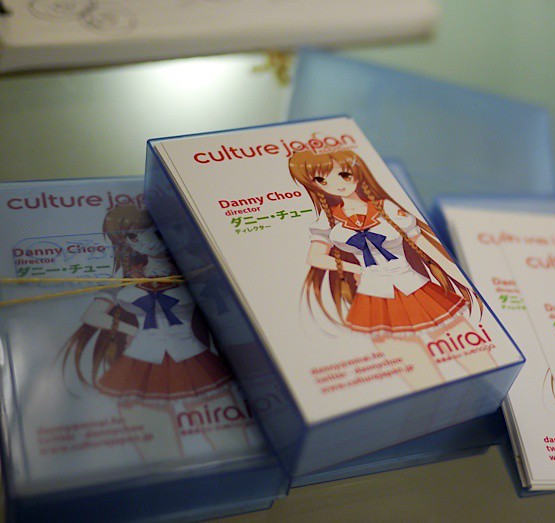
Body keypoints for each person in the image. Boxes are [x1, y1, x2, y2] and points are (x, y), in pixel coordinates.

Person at [289, 148, 497, 389]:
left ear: (357, 173)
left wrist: (462, 278)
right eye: (322, 180)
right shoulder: (327, 221)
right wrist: (354, 268)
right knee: (421, 378)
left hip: (415, 287)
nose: (337, 184)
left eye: (344, 175)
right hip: (373, 295)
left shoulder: (386, 208)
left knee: (478, 360)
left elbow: (424, 246)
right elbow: (315, 257)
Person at [63, 204, 249, 461]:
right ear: (126, 242)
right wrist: (128, 329)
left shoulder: (196, 269)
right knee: (159, 454)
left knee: (233, 444)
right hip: (140, 361)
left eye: (155, 231)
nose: (147, 240)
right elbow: (92, 315)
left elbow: (226, 311)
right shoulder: (123, 279)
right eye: (134, 236)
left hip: (193, 357)